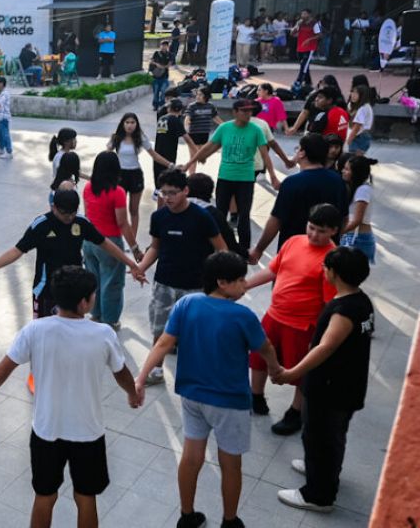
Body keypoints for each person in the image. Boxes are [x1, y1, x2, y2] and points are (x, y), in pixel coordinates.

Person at [0, 266, 139, 528]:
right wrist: (133, 393)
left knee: (44, 495)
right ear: (84, 302)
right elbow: (122, 373)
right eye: (92, 295)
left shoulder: (35, 330)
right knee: (85, 497)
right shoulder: (103, 334)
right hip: (88, 432)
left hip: (46, 431)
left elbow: (0, 371)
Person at [135, 251, 281, 528]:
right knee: (230, 463)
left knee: (191, 457)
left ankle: (187, 516)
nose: (244, 285)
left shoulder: (187, 304)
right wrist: (275, 369)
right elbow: (265, 348)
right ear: (222, 283)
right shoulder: (243, 316)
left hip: (192, 396)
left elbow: (164, 343)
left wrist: (141, 377)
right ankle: (230, 520)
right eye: (240, 280)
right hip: (230, 401)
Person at [274, 247, 373, 513]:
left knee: (322, 436)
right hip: (348, 387)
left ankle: (318, 495)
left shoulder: (343, 311)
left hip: (330, 390)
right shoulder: (362, 302)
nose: (323, 270)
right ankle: (319, 468)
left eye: (326, 267)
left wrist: (293, 373)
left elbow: (325, 347)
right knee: (329, 436)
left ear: (335, 274)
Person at [245, 204, 342, 437]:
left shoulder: (332, 259)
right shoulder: (293, 241)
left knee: (300, 371)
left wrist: (320, 336)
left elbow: (330, 304)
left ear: (333, 231)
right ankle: (255, 397)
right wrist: (243, 286)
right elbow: (272, 271)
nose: (313, 234)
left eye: (321, 231)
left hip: (303, 325)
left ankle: (296, 413)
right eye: (311, 227)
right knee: (258, 359)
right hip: (274, 314)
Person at [0, 189, 144, 320]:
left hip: (74, 290)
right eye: (64, 213)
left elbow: (105, 243)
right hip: (47, 290)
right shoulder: (41, 225)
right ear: (53, 207)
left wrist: (131, 264)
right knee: (43, 335)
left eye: (73, 213)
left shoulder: (81, 222)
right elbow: (17, 251)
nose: (69, 217)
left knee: (72, 334)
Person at [134, 169, 228, 385]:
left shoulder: (202, 217)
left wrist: (222, 282)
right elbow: (155, 247)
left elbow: (221, 249)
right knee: (159, 330)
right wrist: (141, 267)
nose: (167, 198)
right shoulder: (159, 217)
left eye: (172, 193)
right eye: (163, 193)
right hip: (164, 283)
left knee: (195, 334)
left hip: (195, 287)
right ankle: (156, 370)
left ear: (186, 191)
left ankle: (196, 374)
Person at [184, 99, 274, 252]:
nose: (248, 114)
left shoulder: (255, 130)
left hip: (245, 178)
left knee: (244, 215)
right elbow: (209, 146)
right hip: (225, 177)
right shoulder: (225, 128)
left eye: (250, 111)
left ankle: (244, 250)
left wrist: (273, 176)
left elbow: (265, 155)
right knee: (220, 214)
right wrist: (189, 163)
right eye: (244, 111)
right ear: (235, 112)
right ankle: (221, 247)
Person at [249, 134, 347, 263]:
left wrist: (259, 250)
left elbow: (276, 220)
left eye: (298, 149)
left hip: (293, 253)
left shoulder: (291, 183)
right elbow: (344, 218)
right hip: (326, 255)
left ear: (302, 153)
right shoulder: (338, 181)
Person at [82, 152, 141, 328]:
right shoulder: (117, 192)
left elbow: (86, 215)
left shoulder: (88, 187)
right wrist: (135, 248)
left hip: (89, 241)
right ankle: (110, 320)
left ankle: (96, 314)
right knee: (112, 283)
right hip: (110, 243)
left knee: (95, 279)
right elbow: (122, 223)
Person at [107, 113, 173, 238]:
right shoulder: (116, 138)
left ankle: (133, 239)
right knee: (117, 209)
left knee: (133, 210)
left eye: (132, 122)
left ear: (136, 124)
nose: (130, 125)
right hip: (119, 175)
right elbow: (106, 155)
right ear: (122, 124)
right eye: (127, 122)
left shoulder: (141, 137)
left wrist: (170, 165)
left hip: (135, 175)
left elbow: (154, 155)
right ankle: (116, 236)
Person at [187, 173, 241, 257]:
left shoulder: (172, 210)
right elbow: (229, 241)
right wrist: (246, 254)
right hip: (203, 261)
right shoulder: (214, 214)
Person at [339, 155, 376, 263]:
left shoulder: (363, 190)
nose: (342, 171)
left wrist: (339, 233)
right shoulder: (360, 188)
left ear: (356, 173)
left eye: (346, 169)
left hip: (358, 238)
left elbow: (357, 220)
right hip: (355, 236)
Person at [153, 99, 196, 184]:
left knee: (158, 178)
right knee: (167, 179)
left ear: (169, 108)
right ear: (179, 110)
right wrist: (197, 151)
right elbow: (187, 138)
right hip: (169, 154)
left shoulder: (162, 118)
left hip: (157, 153)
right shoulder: (175, 120)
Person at [183, 87, 220, 174]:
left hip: (204, 134)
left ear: (206, 96)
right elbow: (187, 118)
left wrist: (226, 125)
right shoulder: (192, 106)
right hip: (193, 134)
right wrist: (186, 127)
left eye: (200, 95)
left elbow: (215, 118)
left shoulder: (211, 106)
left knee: (199, 155)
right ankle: (191, 177)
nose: (198, 96)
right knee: (193, 157)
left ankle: (192, 175)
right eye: (197, 94)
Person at [292, 9, 322, 87]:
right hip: (300, 47)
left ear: (309, 15)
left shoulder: (314, 23)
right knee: (304, 65)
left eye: (305, 14)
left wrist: (309, 39)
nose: (303, 16)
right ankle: (308, 81)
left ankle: (299, 80)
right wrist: (296, 26)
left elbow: (319, 35)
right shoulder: (300, 23)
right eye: (302, 14)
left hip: (310, 47)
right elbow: (292, 33)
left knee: (304, 64)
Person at [345, 85, 374, 154]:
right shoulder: (352, 105)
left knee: (354, 158)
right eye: (352, 92)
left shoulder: (363, 108)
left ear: (362, 95)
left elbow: (357, 127)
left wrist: (349, 140)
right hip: (355, 134)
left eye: (356, 93)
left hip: (359, 136)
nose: (353, 95)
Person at [0, 76, 13, 159]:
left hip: (4, 117)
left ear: (1, 84)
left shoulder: (5, 94)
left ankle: (9, 151)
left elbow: (0, 103)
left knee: (5, 134)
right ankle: (1, 148)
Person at [149, 40, 172, 110]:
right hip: (155, 76)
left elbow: (169, 64)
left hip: (164, 76)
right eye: (162, 45)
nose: (163, 47)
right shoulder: (156, 53)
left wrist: (163, 67)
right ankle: (155, 105)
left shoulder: (170, 54)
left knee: (163, 91)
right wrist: (157, 64)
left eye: (165, 45)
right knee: (156, 92)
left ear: (167, 46)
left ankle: (162, 105)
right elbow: (151, 61)